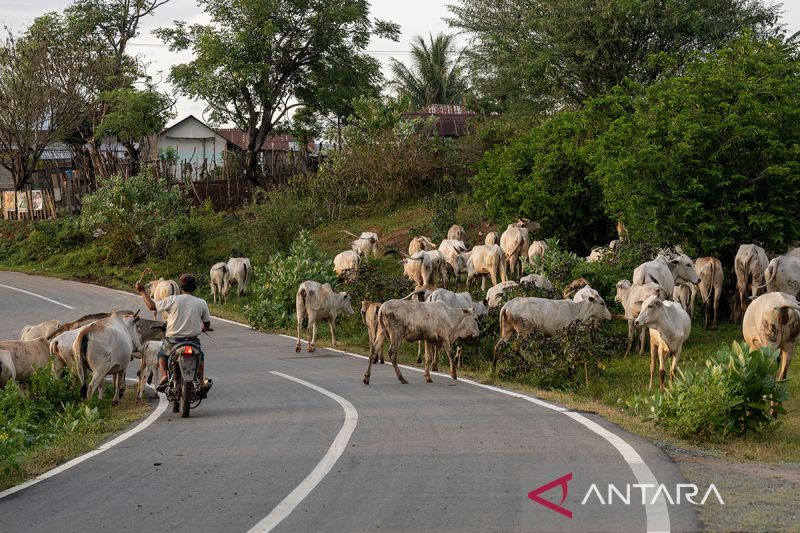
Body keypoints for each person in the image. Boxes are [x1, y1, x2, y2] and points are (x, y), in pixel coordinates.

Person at [135, 274, 212, 394]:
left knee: (162, 354)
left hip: (173, 341)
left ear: (180, 288)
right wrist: (203, 328)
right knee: (200, 357)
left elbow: (152, 306)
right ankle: (201, 382)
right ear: (194, 288)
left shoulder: (173, 300)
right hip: (192, 341)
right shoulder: (201, 303)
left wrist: (142, 291)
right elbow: (207, 324)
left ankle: (165, 375)